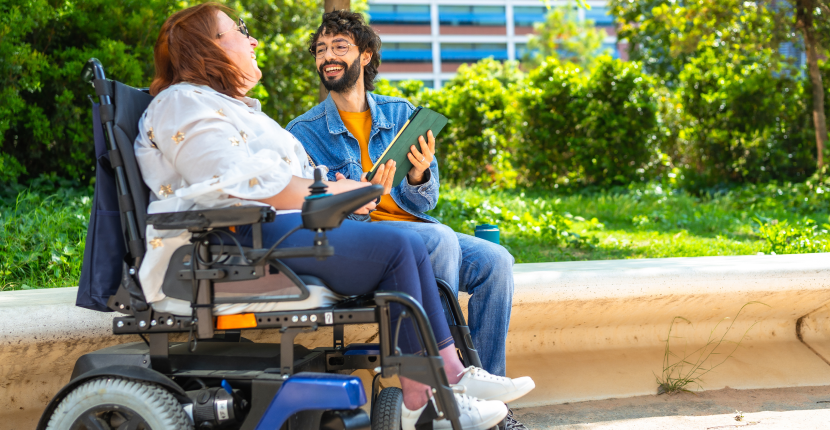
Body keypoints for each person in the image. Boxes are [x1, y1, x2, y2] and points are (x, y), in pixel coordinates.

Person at [133, 3, 532, 429]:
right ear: (206, 47)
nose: (253, 41)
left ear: (365, 55)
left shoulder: (234, 107)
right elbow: (235, 182)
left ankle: (447, 385)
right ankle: (430, 395)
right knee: (405, 245)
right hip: (238, 239)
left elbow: (294, 176)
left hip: (280, 228)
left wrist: (349, 188)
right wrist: (338, 191)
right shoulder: (183, 102)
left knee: (443, 248)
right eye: (240, 31)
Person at [285, 10, 530, 428]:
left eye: (340, 47)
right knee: (441, 243)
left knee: (497, 262)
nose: (328, 56)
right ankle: (443, 392)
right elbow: (316, 208)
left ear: (364, 56)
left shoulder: (401, 115)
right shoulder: (303, 132)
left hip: (417, 229)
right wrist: (361, 194)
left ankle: (490, 406)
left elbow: (425, 204)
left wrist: (418, 174)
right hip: (365, 240)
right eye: (321, 49)